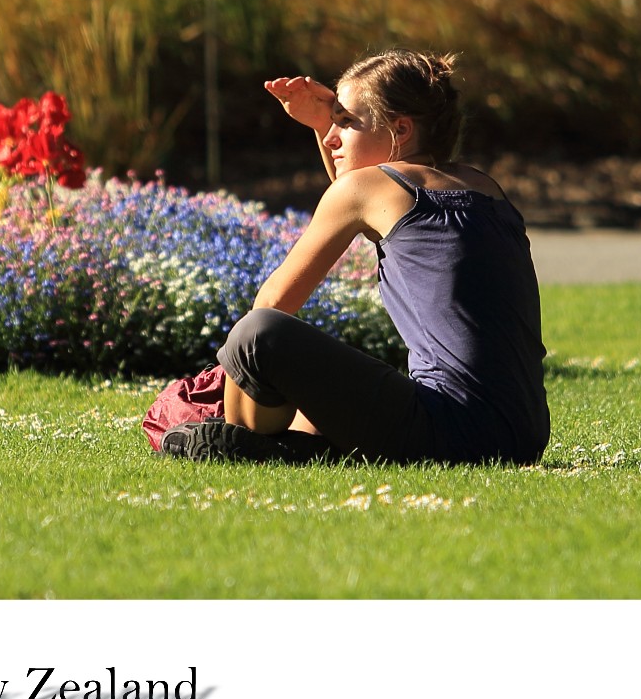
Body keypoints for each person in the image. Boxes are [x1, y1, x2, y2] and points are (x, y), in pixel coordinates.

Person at [159, 49, 549, 466]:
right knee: (313, 408)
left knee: (257, 334)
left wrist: (229, 375)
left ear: (400, 129)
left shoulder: (367, 190)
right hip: (523, 434)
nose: (331, 138)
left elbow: (274, 303)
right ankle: (301, 446)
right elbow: (358, 194)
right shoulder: (483, 185)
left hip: (450, 432)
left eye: (345, 123)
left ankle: (243, 441)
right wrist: (324, 124)